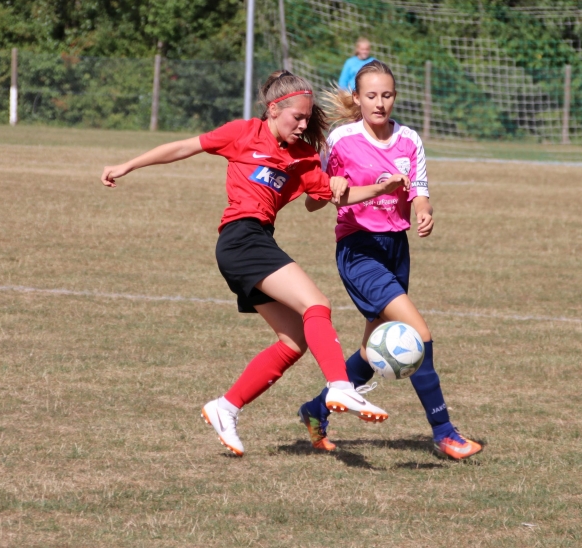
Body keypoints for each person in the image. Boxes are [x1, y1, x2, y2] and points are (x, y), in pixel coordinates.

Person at [101, 70, 411, 457]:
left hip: (257, 240)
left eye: (307, 118)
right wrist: (127, 165)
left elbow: (331, 198)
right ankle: (340, 386)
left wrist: (374, 187)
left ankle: (226, 407)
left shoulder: (303, 157)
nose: (303, 124)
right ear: (273, 109)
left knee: (294, 341)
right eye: (297, 117)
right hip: (240, 238)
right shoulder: (244, 133)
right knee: (316, 304)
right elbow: (183, 147)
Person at [298, 59, 483, 460]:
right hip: (359, 249)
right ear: (357, 99)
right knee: (418, 334)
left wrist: (424, 211)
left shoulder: (409, 139)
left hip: (396, 248)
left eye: (386, 95)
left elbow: (420, 191)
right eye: (371, 96)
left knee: (372, 352)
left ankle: (315, 411)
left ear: (395, 97)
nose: (379, 103)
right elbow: (313, 201)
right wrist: (332, 187)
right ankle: (445, 432)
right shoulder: (341, 140)